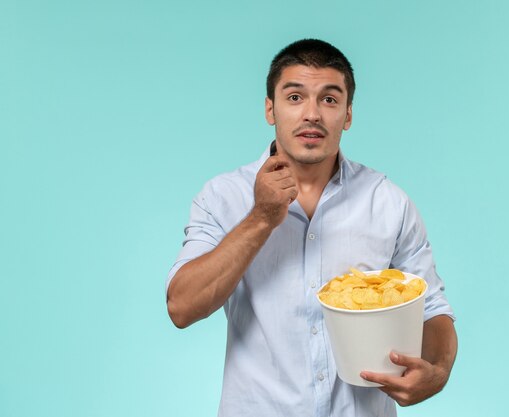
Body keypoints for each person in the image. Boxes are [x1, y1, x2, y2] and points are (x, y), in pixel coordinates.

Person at [166, 39, 458, 417]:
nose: (312, 114)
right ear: (270, 108)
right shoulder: (222, 197)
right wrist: (261, 218)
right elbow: (181, 307)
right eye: (294, 97)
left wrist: (437, 370)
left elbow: (431, 308)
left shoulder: (388, 202)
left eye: (330, 99)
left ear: (348, 114)